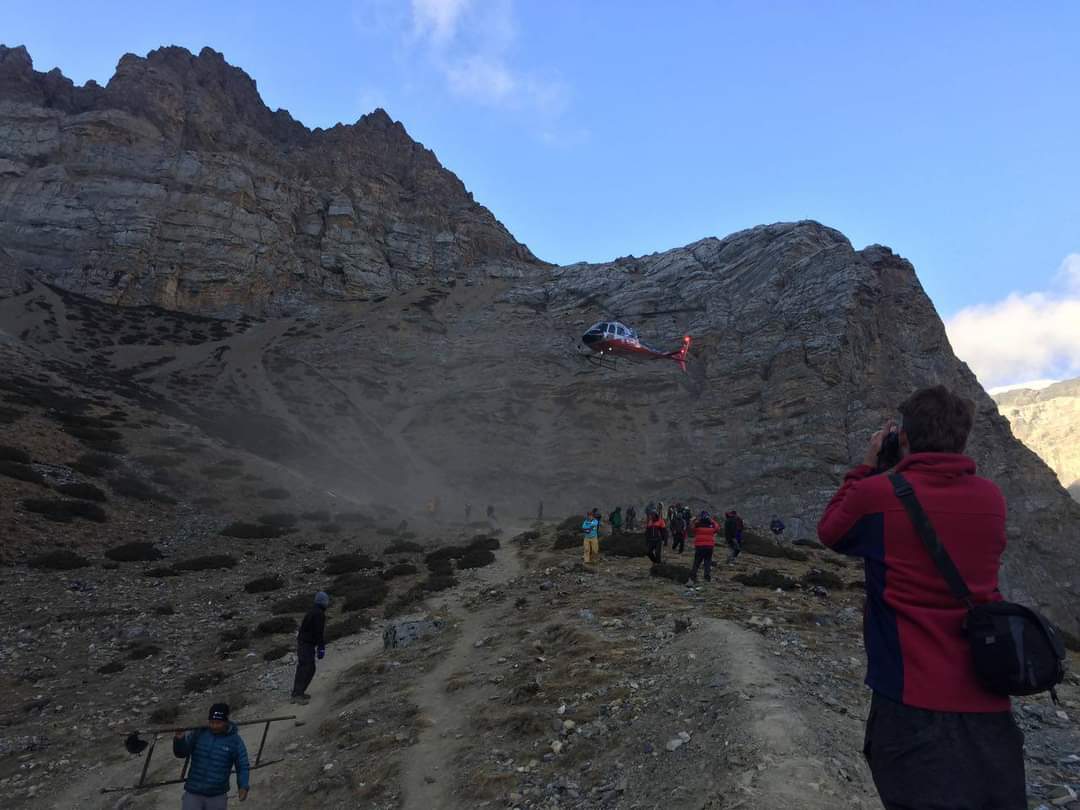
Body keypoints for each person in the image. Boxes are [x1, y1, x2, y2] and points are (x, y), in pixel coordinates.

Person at [818, 386, 1025, 810]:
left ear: (904, 437)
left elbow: (830, 532)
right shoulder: (992, 498)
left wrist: (867, 466)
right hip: (988, 697)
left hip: (910, 699)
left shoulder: (878, 494)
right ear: (963, 438)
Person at [173, 703, 250, 808]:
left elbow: (242, 765)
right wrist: (179, 739)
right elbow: (181, 753)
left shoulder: (235, 741)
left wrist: (243, 786)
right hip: (193, 791)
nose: (214, 726)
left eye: (218, 723)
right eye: (212, 722)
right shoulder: (199, 733)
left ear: (226, 721)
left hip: (217, 795)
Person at [291, 591, 329, 704]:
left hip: (305, 643)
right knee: (306, 667)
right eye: (326, 601)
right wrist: (321, 647)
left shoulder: (313, 611)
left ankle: (298, 692)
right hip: (306, 644)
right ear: (322, 601)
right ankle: (297, 694)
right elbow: (319, 632)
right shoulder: (319, 614)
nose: (327, 603)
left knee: (308, 667)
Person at [686, 511, 719, 585]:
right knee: (707, 562)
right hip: (709, 546)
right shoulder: (711, 525)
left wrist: (693, 520)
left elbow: (691, 528)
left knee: (697, 562)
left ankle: (693, 576)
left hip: (699, 546)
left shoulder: (698, 524)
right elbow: (717, 528)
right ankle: (707, 577)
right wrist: (712, 520)